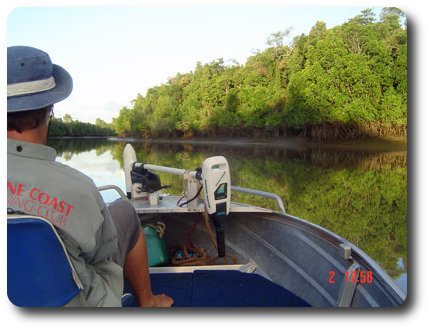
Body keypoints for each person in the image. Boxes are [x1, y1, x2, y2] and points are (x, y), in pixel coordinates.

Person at [7, 45, 174, 307]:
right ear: (49, 108)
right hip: (81, 303)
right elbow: (102, 255)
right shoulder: (77, 188)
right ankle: (148, 302)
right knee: (126, 211)